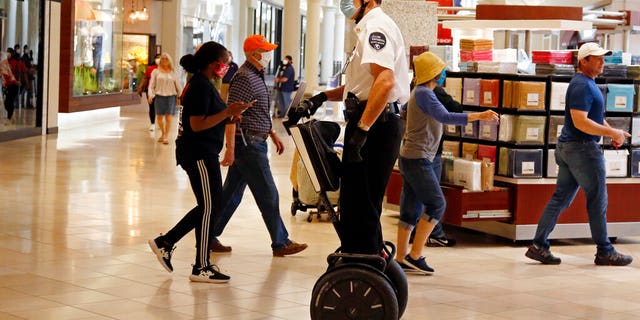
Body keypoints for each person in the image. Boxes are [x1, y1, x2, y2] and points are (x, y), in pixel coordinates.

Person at [298, 0, 409, 255]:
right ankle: (366, 253)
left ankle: (363, 260)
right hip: (374, 122)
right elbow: (360, 89)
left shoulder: (375, 27)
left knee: (360, 203)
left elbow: (385, 81)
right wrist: (321, 97)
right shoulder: (368, 27)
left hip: (376, 126)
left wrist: (362, 130)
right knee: (359, 200)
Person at [148, 41, 251, 283]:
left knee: (210, 205)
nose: (226, 67)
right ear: (213, 64)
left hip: (202, 153)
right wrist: (227, 112)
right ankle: (201, 265)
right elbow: (197, 124)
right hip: (198, 154)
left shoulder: (203, 84)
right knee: (209, 207)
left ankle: (167, 242)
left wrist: (229, 112)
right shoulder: (200, 86)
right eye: (224, 63)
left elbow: (209, 118)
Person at [525, 42, 633, 266]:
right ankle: (605, 250)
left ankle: (538, 245)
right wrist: (611, 132)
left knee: (560, 198)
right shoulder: (582, 85)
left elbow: (592, 118)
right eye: (597, 58)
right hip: (582, 150)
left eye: (603, 58)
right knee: (597, 199)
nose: (602, 62)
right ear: (584, 61)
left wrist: (612, 132)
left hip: (570, 148)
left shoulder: (587, 83)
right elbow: (580, 122)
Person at [397, 52, 498, 274]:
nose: (444, 74)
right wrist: (480, 116)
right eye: (441, 70)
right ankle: (415, 255)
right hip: (419, 158)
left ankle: (401, 256)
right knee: (437, 205)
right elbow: (447, 117)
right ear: (433, 73)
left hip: (410, 156)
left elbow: (405, 112)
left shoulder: (419, 92)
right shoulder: (425, 93)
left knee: (411, 207)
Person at [209, 34, 308, 257]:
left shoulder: (256, 75)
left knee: (231, 193)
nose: (269, 55)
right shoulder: (244, 77)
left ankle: (208, 234)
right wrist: (231, 148)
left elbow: (256, 111)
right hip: (248, 144)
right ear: (254, 54)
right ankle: (280, 242)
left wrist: (272, 133)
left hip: (255, 139)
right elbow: (233, 114)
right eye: (265, 51)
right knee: (268, 193)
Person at [407, 69, 463, 248]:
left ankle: (406, 251)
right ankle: (430, 238)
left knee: (412, 201)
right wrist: (478, 116)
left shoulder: (415, 89)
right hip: (428, 153)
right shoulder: (431, 93)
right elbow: (451, 113)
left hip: (411, 151)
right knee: (435, 200)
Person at [148, 53, 182, 144]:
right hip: (159, 96)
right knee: (159, 116)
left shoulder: (173, 72)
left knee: (168, 117)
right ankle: (162, 133)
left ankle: (165, 136)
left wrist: (180, 96)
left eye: (166, 58)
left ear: (169, 60)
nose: (164, 60)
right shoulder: (156, 72)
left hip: (171, 97)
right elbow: (151, 85)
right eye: (162, 58)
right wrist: (150, 95)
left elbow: (178, 85)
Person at [137, 53, 161, 131]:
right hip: (150, 90)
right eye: (157, 57)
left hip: (161, 91)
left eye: (160, 58)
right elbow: (145, 78)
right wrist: (140, 88)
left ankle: (161, 123)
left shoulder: (165, 68)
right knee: (152, 107)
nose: (158, 59)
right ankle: (153, 123)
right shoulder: (150, 68)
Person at [1, 51, 18, 123]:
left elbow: (8, 75)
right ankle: (11, 116)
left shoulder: (4, 64)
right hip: (9, 85)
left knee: (8, 102)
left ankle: (9, 118)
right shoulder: (5, 63)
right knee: (8, 102)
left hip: (12, 85)